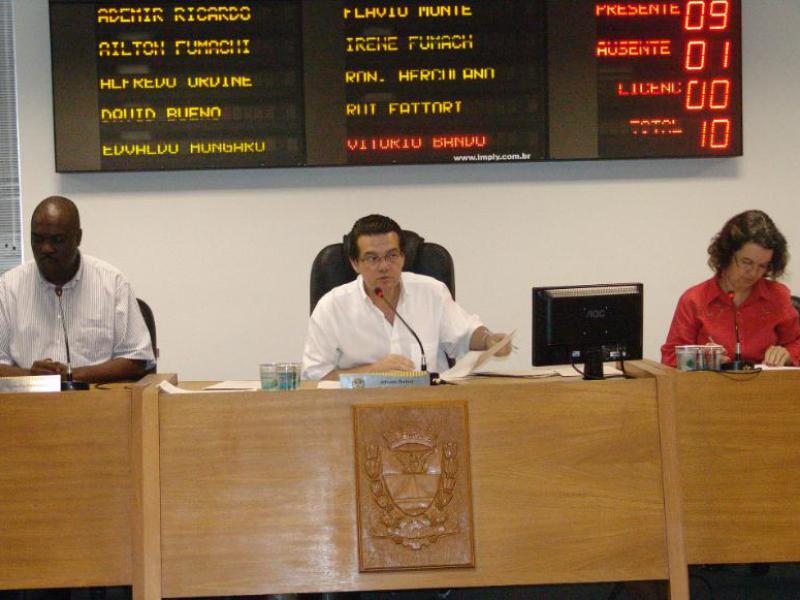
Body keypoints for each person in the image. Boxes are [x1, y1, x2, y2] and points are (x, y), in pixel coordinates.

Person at [303, 214, 511, 380]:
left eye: (392, 256)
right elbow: (314, 375)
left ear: (403, 257)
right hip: (358, 408)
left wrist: (488, 340)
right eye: (372, 258)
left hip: (430, 406)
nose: (384, 266)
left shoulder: (431, 292)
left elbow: (466, 334)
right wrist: (373, 372)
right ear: (355, 263)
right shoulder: (332, 306)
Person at [0, 196, 154, 383]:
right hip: (28, 398)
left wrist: (72, 376)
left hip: (95, 397)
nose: (46, 248)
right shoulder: (8, 288)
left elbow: (137, 359)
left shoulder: (113, 283)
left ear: (78, 238)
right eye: (38, 239)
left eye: (57, 239)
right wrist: (32, 377)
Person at [661, 209, 800, 367]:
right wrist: (702, 360)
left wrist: (787, 354)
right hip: (711, 382)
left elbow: (796, 343)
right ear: (727, 254)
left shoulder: (777, 296)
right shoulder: (694, 300)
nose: (753, 272)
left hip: (765, 382)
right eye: (746, 262)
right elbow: (670, 357)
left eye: (762, 266)